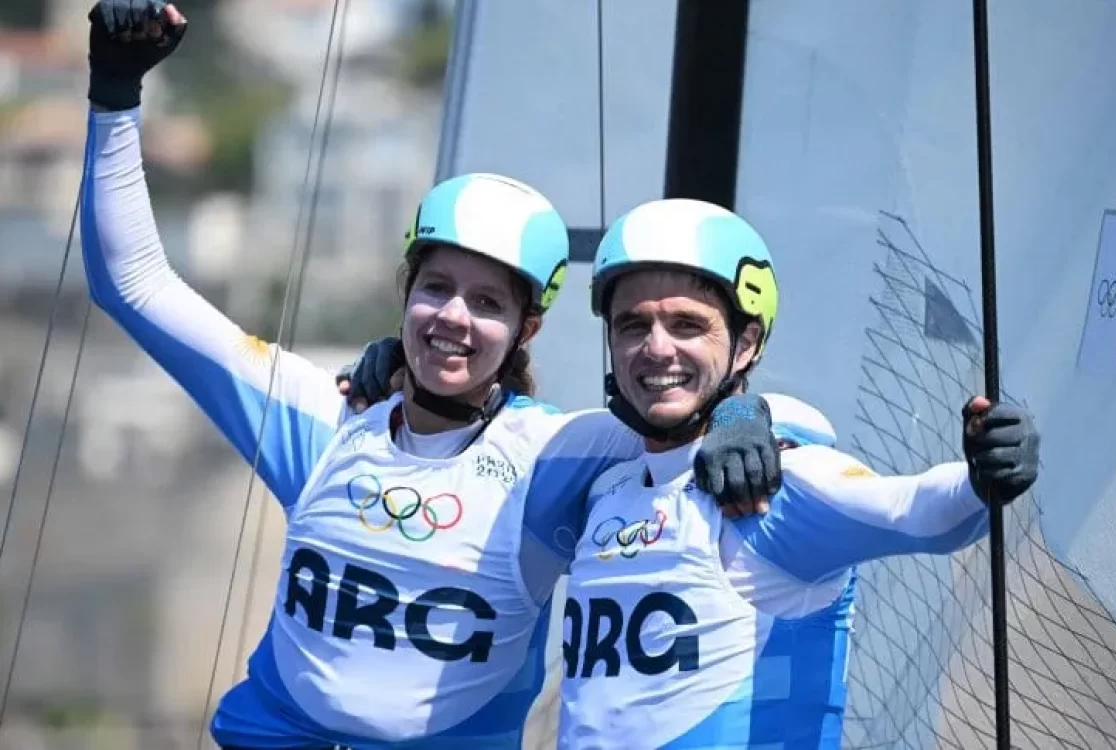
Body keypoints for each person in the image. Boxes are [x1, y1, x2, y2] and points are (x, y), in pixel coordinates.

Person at [80, 4, 828, 748]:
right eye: (435, 289)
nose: (453, 319)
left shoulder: (556, 456)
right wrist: (115, 91)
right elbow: (135, 284)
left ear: (526, 329)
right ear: (404, 292)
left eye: (487, 302)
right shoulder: (324, 418)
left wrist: (749, 415)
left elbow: (688, 409)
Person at [549, 198, 1041, 749]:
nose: (656, 347)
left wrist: (984, 475)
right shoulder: (604, 485)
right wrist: (745, 410)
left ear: (746, 344)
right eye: (632, 324)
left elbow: (919, 511)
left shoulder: (778, 484)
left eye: (688, 324)